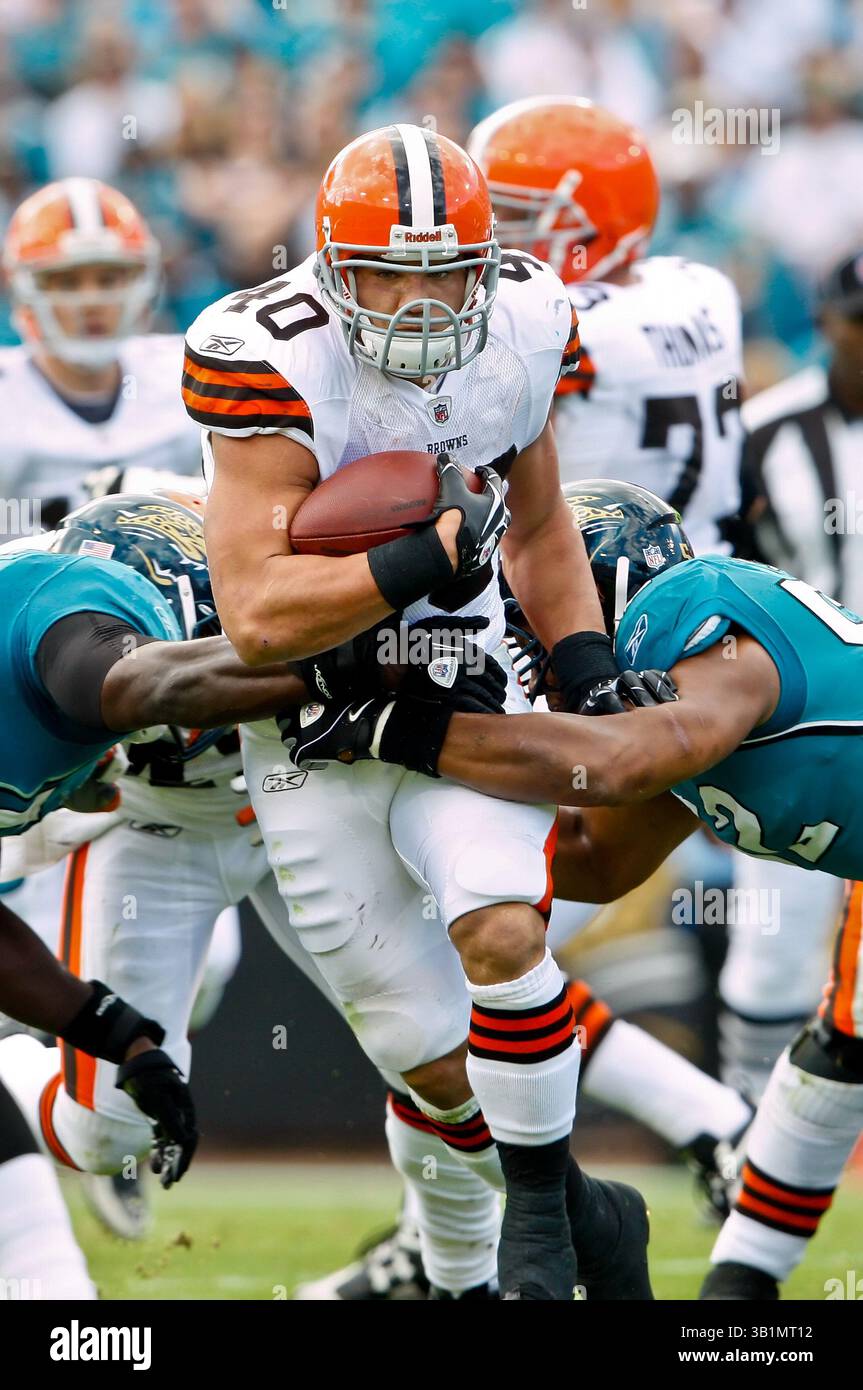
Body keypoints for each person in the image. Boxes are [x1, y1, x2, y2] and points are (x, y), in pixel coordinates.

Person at [184, 121, 661, 1300]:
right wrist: (417, 557)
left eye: (444, 271)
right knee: (426, 1060)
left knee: (500, 926)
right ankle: (583, 1202)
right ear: (333, 269)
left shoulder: (525, 319)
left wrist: (586, 659)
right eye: (389, 272)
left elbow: (543, 524)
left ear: (485, 262)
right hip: (307, 724)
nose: (418, 300)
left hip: (467, 685)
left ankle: (541, 1227)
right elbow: (252, 614)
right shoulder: (264, 352)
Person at [288, 477, 863, 1300]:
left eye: (538, 608)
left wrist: (396, 728)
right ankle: (736, 1303)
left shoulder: (693, 612)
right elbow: (596, 857)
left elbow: (630, 759)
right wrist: (434, 857)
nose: (523, 643)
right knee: (841, 1049)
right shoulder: (662, 698)